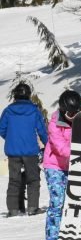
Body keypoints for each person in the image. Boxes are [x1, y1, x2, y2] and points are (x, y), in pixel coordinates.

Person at [42, 90, 81, 240]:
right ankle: (52, 239)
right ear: (63, 111)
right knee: (58, 202)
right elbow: (60, 148)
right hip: (54, 166)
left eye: (77, 112)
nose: (74, 116)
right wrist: (79, 153)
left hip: (74, 165)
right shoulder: (54, 123)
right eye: (71, 113)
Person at [0, 82, 47, 217]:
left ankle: (13, 210)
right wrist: (47, 144)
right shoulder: (34, 110)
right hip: (30, 150)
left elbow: (2, 129)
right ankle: (32, 208)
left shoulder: (8, 110)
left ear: (15, 95)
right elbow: (42, 130)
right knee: (33, 179)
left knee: (14, 180)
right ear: (28, 95)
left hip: (13, 151)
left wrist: (11, 138)